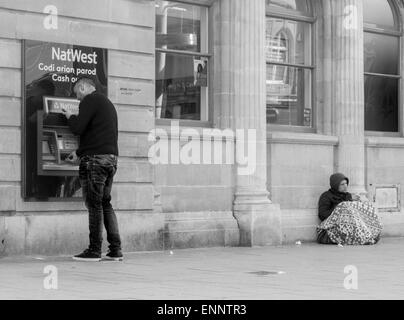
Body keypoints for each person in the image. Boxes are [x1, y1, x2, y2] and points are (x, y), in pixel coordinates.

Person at [61, 77, 122, 261]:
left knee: (94, 205)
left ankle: (94, 250)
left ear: (83, 87)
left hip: (95, 161)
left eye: (77, 92)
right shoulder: (106, 103)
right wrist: (79, 152)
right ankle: (115, 250)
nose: (77, 98)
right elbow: (96, 136)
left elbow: (78, 128)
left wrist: (68, 116)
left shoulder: (90, 99)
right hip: (110, 159)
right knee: (105, 203)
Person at [317, 173, 382, 245]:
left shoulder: (347, 195)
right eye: (342, 184)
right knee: (344, 206)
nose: (345, 186)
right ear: (335, 185)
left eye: (346, 183)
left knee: (367, 205)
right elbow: (322, 215)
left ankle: (371, 233)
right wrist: (341, 207)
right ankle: (362, 237)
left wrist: (356, 203)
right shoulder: (326, 196)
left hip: (349, 227)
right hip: (330, 227)